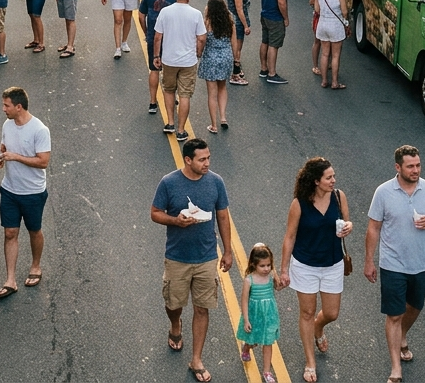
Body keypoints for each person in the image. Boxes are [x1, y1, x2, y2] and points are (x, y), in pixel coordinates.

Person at [151, 138, 234, 383]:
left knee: (202, 307)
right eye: (202, 159)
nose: (207, 163)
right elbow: (155, 213)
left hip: (207, 257)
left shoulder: (216, 182)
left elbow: (223, 216)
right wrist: (176, 221)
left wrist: (227, 251)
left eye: (208, 158)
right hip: (177, 257)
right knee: (174, 304)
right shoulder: (169, 183)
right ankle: (175, 325)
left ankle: (196, 359)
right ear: (188, 160)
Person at [365, 146, 425, 383]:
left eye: (418, 165)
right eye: (410, 166)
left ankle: (402, 335)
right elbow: (373, 228)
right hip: (392, 264)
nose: (416, 170)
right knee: (394, 314)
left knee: (415, 307)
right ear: (397, 167)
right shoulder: (383, 192)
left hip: (421, 263)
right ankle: (395, 368)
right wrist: (369, 261)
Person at [279, 158, 352, 383]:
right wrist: (284, 270)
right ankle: (310, 361)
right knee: (307, 313)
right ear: (316, 181)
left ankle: (318, 329)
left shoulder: (339, 197)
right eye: (328, 177)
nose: (333, 180)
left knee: (331, 313)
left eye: (333, 176)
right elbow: (289, 237)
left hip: (332, 263)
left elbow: (347, 222)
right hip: (305, 265)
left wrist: (348, 228)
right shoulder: (299, 204)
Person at [0, 87, 51, 299]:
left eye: (6, 105)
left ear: (18, 107)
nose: (3, 109)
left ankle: (35, 266)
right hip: (9, 189)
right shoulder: (8, 125)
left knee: (34, 230)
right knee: (10, 233)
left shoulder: (39, 130)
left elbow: (43, 161)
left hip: (32, 192)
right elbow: (3, 146)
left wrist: (16, 157)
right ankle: (10, 280)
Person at [154, 0, 207, 142]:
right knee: (185, 95)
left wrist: (157, 56)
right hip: (188, 61)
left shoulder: (165, 12)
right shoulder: (196, 14)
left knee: (169, 90)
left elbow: (157, 36)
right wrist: (198, 52)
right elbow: (202, 38)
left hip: (169, 59)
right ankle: (181, 130)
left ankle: (170, 122)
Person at [237, 243, 284, 383]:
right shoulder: (249, 280)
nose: (266, 269)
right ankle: (246, 348)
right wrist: (246, 320)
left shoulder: (271, 275)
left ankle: (267, 372)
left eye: (268, 265)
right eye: (262, 266)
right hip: (254, 315)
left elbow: (277, 287)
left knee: (268, 342)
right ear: (254, 265)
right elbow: (244, 300)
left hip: (269, 315)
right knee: (253, 340)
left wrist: (282, 283)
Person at [142, 0, 177, 122]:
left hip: (153, 36)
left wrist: (146, 32)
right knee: (170, 70)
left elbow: (141, 15)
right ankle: (172, 96)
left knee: (154, 69)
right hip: (170, 38)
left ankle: (152, 102)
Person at [199, 0, 234, 134]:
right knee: (223, 87)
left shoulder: (207, 22)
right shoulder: (229, 21)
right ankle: (223, 117)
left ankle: (213, 124)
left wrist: (199, 52)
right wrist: (236, 59)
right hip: (226, 56)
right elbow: (234, 41)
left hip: (211, 57)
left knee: (211, 93)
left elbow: (202, 39)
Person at [258, 0, 291, 85]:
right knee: (274, 45)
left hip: (265, 14)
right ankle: (272, 73)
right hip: (275, 17)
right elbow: (281, 2)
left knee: (264, 41)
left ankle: (263, 69)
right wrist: (286, 18)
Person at [314, 0, 349, 89]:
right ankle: (334, 82)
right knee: (335, 56)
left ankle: (324, 81)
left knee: (324, 54)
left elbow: (317, 10)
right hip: (335, 26)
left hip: (322, 25)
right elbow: (344, 12)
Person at [225, 0, 252, 86]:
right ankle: (235, 75)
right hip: (238, 21)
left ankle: (237, 70)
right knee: (237, 48)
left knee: (235, 47)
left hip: (233, 20)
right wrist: (246, 25)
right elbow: (239, 9)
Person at [309, 0, 335, 76]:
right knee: (318, 42)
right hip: (319, 17)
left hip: (329, 16)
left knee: (329, 41)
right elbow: (311, 1)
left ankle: (328, 63)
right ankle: (315, 66)